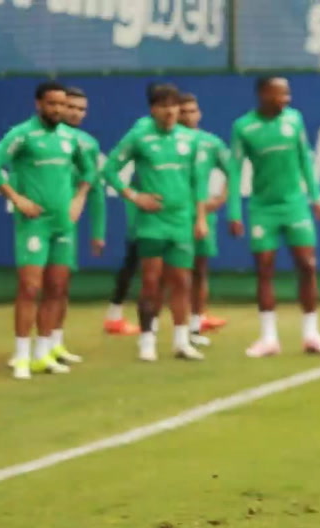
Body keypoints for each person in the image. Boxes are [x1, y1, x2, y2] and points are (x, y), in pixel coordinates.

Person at [0, 80, 95, 380]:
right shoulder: (23, 134)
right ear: (39, 104)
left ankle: (42, 354)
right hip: (34, 223)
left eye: (61, 104)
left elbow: (90, 171)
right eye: (52, 104)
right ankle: (20, 356)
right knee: (30, 287)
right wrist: (17, 198)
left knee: (57, 288)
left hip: (63, 223)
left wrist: (79, 198)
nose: (58, 109)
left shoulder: (71, 138)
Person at [227, 76, 320, 358]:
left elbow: (304, 159)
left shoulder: (294, 120)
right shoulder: (243, 127)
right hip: (263, 208)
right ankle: (268, 338)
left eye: (287, 93)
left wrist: (316, 196)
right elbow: (235, 171)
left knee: (307, 265)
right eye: (280, 94)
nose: (286, 99)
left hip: (295, 205)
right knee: (264, 268)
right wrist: (234, 211)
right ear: (263, 94)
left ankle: (311, 334)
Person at [102, 83, 210, 362]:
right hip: (152, 222)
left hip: (181, 220)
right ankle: (147, 340)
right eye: (163, 106)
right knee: (151, 281)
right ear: (153, 110)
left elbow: (198, 181)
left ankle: (181, 341)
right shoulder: (139, 136)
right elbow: (109, 169)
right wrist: (134, 196)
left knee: (182, 282)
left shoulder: (190, 139)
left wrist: (200, 218)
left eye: (174, 105)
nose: (170, 111)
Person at [102, 83, 163, 337]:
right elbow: (111, 167)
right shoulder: (142, 130)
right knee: (136, 258)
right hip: (144, 208)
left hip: (167, 211)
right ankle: (117, 315)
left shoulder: (175, 133)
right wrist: (135, 196)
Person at [51, 86, 107, 363]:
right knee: (36, 284)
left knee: (61, 284)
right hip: (39, 222)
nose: (75, 113)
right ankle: (31, 346)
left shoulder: (88, 143)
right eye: (70, 107)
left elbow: (95, 188)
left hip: (68, 224)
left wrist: (97, 232)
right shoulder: (38, 136)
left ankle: (55, 343)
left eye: (81, 109)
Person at [178, 91, 234, 346]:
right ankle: (158, 327)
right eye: (183, 111)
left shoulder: (210, 143)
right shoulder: (168, 141)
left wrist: (220, 198)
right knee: (173, 272)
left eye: (193, 111)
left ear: (199, 113)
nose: (188, 116)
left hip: (203, 216)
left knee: (200, 269)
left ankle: (196, 324)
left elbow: (233, 170)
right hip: (174, 215)